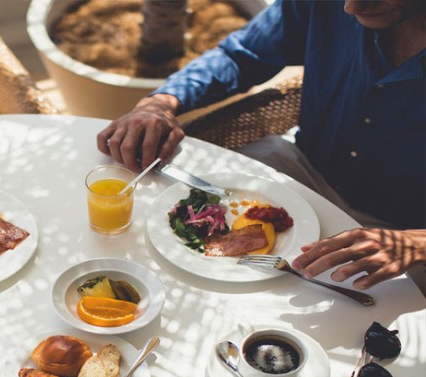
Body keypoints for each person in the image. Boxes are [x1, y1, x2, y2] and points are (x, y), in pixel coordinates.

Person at [97, 0, 425, 290]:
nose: (350, 9)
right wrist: (163, 102)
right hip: (296, 165)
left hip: (397, 234)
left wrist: (415, 243)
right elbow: (241, 55)